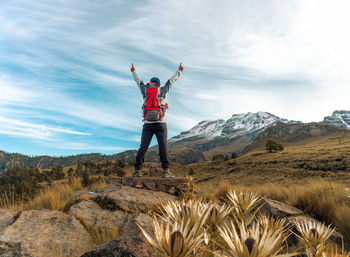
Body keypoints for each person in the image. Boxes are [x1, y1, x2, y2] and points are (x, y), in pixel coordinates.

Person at [130, 62, 184, 178]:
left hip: (147, 124)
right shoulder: (163, 91)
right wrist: (179, 71)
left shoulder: (145, 90)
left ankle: (137, 171)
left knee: (143, 147)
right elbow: (171, 81)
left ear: (151, 84)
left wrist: (133, 71)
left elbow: (138, 81)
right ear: (158, 85)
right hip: (161, 124)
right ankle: (165, 171)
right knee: (163, 147)